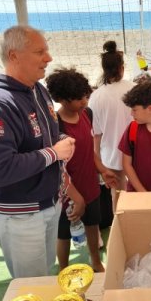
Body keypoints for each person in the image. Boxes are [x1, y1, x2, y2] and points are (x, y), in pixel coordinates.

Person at [0, 25, 75, 278]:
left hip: (46, 205)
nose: (49, 58)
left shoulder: (37, 89)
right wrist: (55, 154)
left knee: (44, 275)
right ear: (14, 56)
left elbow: (43, 137)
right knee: (31, 286)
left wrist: (61, 145)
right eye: (40, 51)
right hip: (20, 216)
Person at [46, 68, 118, 272]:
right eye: (78, 99)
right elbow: (57, 166)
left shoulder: (86, 114)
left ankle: (95, 261)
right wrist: (75, 196)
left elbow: (89, 150)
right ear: (61, 99)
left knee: (92, 226)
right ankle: (64, 268)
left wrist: (103, 170)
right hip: (66, 191)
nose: (84, 102)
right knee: (64, 233)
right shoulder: (56, 125)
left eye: (86, 96)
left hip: (90, 185)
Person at [89, 41, 134, 211]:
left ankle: (119, 228)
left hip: (111, 155)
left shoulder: (96, 96)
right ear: (122, 68)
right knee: (138, 190)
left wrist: (97, 159)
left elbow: (96, 133)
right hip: (136, 151)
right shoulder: (133, 89)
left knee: (117, 194)